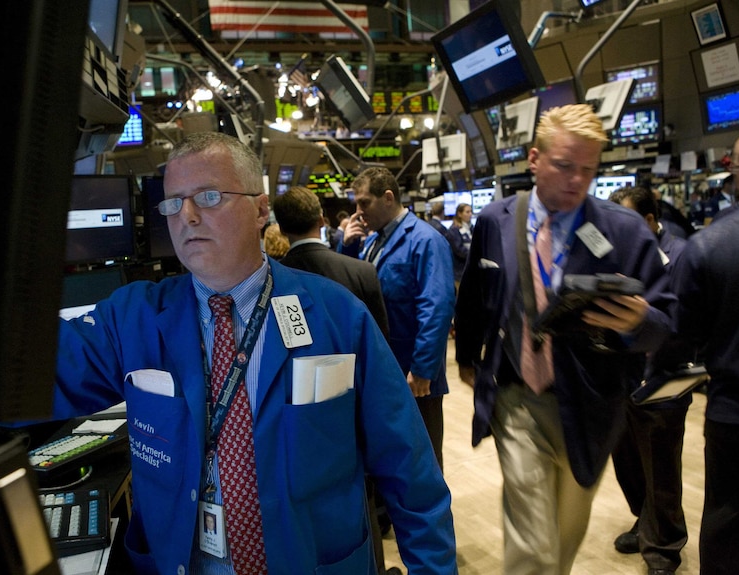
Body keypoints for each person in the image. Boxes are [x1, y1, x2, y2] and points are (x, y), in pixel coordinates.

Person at [53, 132, 458, 575]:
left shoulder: (338, 316)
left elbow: (411, 474)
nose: (186, 216)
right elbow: (33, 377)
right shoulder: (133, 319)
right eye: (172, 203)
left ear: (261, 210)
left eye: (207, 197)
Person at [454, 104, 674, 575]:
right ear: (535, 159)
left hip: (591, 404)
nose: (577, 180)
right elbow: (474, 294)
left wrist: (637, 319)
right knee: (532, 543)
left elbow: (665, 322)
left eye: (589, 170)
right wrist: (467, 359)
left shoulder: (624, 231)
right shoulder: (495, 220)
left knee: (564, 539)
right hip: (518, 398)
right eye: (564, 165)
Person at [272, 185, 394, 574]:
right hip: (358, 412)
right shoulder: (360, 272)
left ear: (279, 226)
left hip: (288, 429)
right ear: (322, 220)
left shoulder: (265, 286)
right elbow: (382, 355)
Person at [338, 167, 455, 471]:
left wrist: (424, 368)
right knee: (391, 456)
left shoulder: (425, 240)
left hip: (413, 373)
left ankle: (430, 519)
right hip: (381, 366)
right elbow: (353, 293)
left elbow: (437, 305)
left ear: (388, 198)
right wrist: (347, 247)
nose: (358, 212)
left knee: (422, 458)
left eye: (364, 203)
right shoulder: (371, 242)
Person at [672, 130, 739, 574]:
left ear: (737, 170)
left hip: (734, 413)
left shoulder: (710, 244)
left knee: (727, 521)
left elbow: (682, 335)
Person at [608, 186, 689, 575]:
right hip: (622, 379)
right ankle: (645, 522)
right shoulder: (618, 254)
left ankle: (663, 550)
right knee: (627, 462)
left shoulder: (681, 255)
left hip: (662, 381)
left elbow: (687, 322)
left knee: (661, 469)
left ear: (651, 221)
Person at [273, 186, 389, 337]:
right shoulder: (363, 272)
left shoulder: (270, 278)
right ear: (321, 221)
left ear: (281, 229)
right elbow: (380, 337)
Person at [445, 203, 473, 289]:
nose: (470, 214)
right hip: (460, 273)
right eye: (467, 212)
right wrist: (475, 254)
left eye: (471, 212)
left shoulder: (472, 228)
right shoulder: (454, 230)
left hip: (472, 270)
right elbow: (459, 250)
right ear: (459, 214)